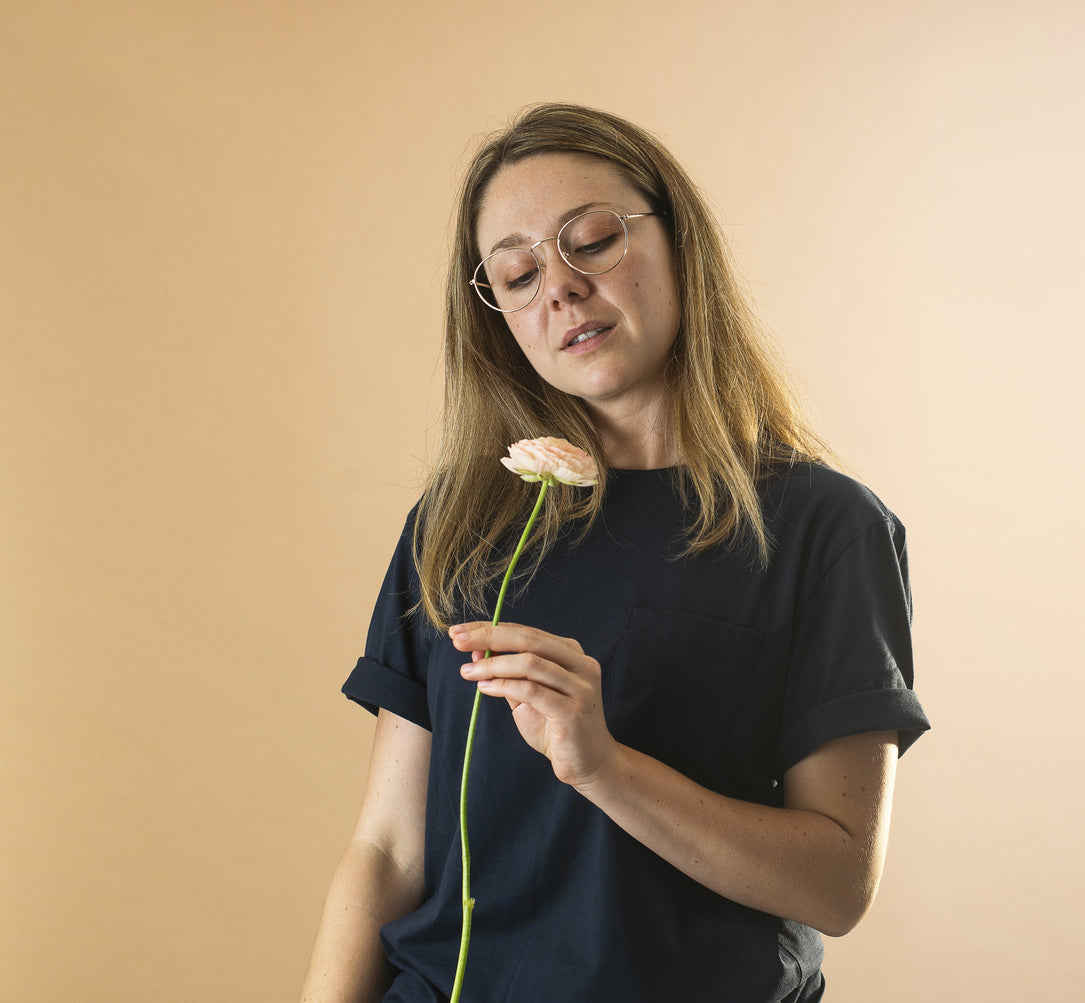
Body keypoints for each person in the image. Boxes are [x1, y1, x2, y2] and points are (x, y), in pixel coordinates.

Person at [300, 103, 930, 1003]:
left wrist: (603, 765)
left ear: (679, 243)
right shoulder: (457, 523)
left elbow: (835, 884)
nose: (557, 287)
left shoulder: (823, 527)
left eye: (590, 241)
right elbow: (388, 849)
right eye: (515, 274)